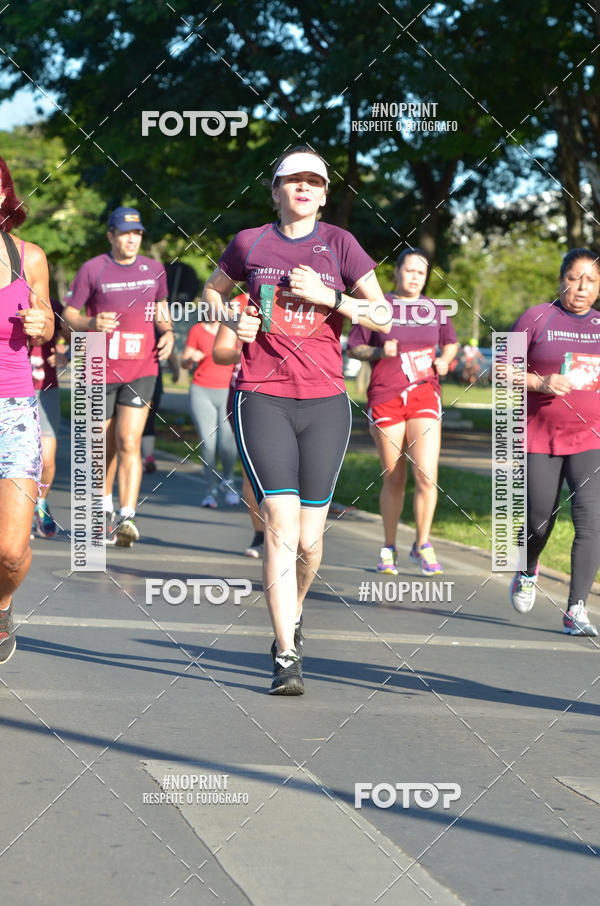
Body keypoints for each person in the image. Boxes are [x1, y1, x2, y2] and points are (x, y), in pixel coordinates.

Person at [202, 146, 391, 695]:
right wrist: (231, 319)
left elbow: (383, 315)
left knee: (310, 543)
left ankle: (295, 611)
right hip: (262, 395)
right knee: (280, 525)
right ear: (276, 190)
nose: (304, 187)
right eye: (293, 180)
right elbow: (213, 291)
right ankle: (285, 653)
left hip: (326, 401)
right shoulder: (249, 242)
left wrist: (331, 296)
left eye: (314, 181)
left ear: (324, 194)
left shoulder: (341, 244)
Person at [63, 207, 173, 546]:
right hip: (98, 364)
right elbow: (69, 315)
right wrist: (90, 323)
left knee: (128, 440)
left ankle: (127, 516)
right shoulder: (92, 268)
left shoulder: (154, 269)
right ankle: (103, 510)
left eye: (137, 233)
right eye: (125, 233)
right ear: (111, 235)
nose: (131, 239)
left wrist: (168, 332)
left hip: (141, 367)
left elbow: (160, 309)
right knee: (102, 445)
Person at [347, 248, 458, 576]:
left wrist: (445, 359)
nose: (414, 277)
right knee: (394, 476)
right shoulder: (377, 306)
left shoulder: (435, 309)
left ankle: (422, 544)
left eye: (421, 273)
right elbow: (354, 347)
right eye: (409, 270)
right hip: (386, 396)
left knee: (427, 474)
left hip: (424, 395)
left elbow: (450, 342)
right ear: (396, 272)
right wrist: (380, 351)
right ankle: (389, 546)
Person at [509, 248, 600, 636]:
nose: (582, 286)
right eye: (575, 277)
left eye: (591, 280)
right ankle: (527, 568)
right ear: (561, 278)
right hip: (539, 435)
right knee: (538, 519)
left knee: (592, 521)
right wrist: (540, 382)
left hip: (590, 436)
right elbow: (501, 369)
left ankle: (576, 608)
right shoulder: (536, 317)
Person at [0, 154, 54, 663]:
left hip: (13, 411)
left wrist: (42, 325)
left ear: (3, 194)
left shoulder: (28, 257)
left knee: (12, 550)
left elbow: (49, 320)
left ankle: (2, 605)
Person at [212, 297, 264, 556]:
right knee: (252, 470)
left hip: (295, 394)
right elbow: (219, 352)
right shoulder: (238, 304)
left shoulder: (305, 292)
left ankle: (288, 533)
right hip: (246, 392)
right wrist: (249, 352)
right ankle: (261, 533)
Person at [182, 316, 240, 508]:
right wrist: (191, 359)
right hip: (201, 391)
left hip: (227, 391)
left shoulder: (233, 330)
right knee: (208, 444)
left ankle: (229, 482)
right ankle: (211, 491)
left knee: (227, 444)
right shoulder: (198, 330)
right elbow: (184, 363)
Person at [29, 297, 69, 537]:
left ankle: (40, 503)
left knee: (47, 459)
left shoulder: (52, 305)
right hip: (10, 390)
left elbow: (79, 335)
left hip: (46, 390)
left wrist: (69, 356)